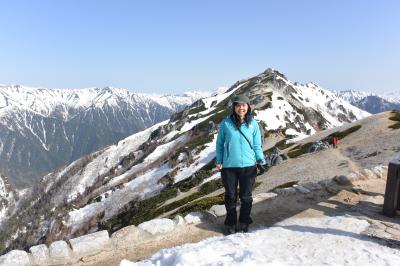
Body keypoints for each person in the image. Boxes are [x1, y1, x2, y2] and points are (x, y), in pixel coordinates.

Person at [215, 94, 266, 235]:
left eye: (244, 105)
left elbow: (257, 145)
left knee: (246, 196)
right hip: (229, 166)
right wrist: (219, 160)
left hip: (249, 166)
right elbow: (219, 144)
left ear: (248, 107)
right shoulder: (226, 123)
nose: (241, 108)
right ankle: (230, 223)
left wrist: (260, 159)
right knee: (230, 196)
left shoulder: (253, 124)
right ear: (234, 108)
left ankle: (244, 221)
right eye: (238, 105)